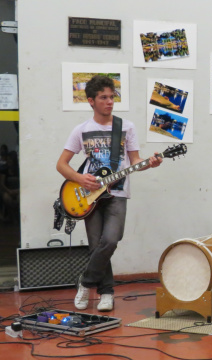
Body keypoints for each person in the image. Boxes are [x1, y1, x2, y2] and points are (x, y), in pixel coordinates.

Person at [56, 75, 162, 312]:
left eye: (111, 97)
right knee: (96, 246)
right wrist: (80, 178)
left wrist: (150, 163)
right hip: (89, 195)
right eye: (103, 98)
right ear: (91, 101)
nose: (109, 102)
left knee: (111, 240)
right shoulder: (81, 130)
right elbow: (61, 164)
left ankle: (85, 282)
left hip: (118, 192)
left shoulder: (126, 127)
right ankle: (106, 293)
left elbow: (135, 161)